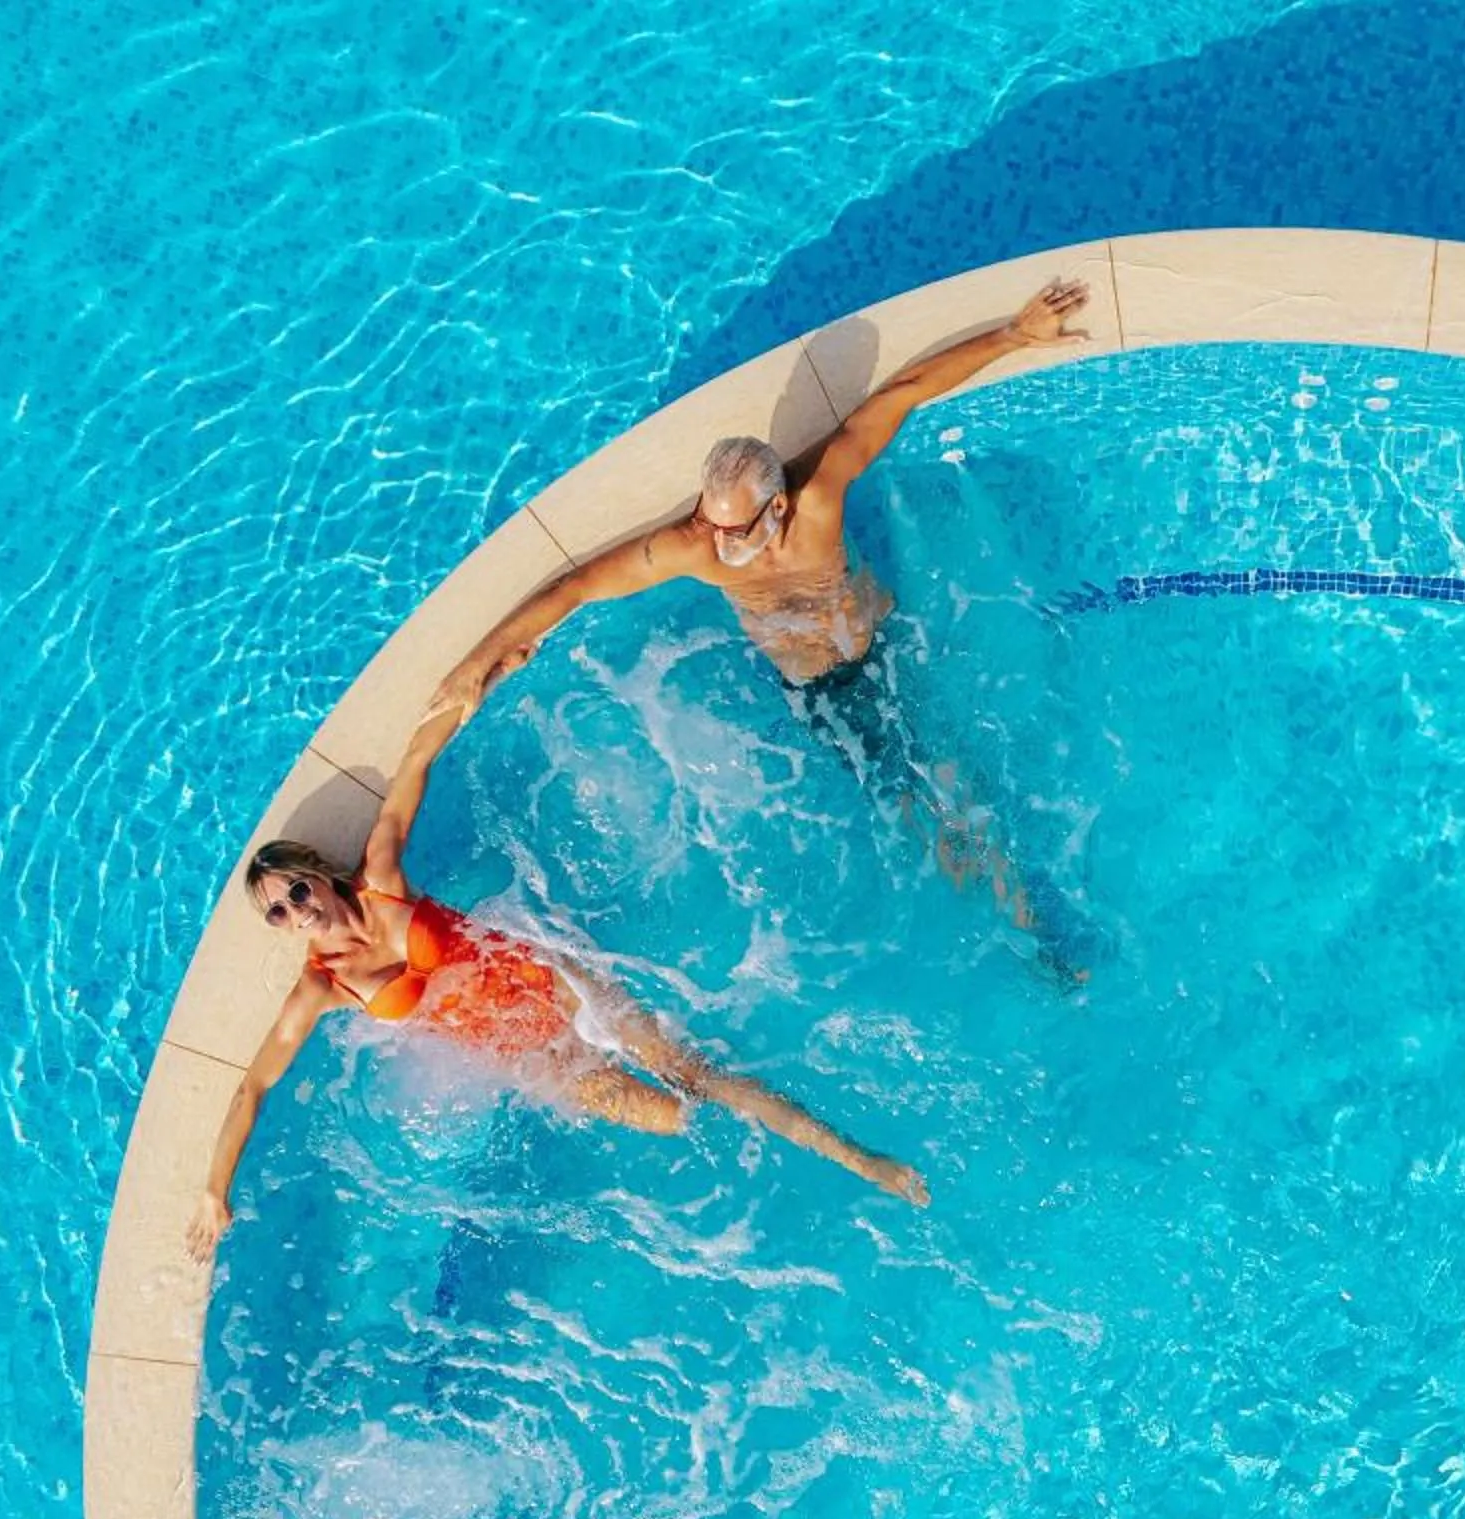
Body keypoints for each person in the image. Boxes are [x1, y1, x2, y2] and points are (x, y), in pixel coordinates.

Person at [426, 277, 1095, 962]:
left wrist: (1014, 334)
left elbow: (901, 394)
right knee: (912, 814)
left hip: (884, 653)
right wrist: (479, 661)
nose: (717, 542)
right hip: (819, 697)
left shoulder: (819, 502)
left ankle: (1034, 923)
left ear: (776, 506)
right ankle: (1005, 931)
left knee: (958, 784)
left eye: (733, 527)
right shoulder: (700, 550)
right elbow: (578, 586)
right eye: (706, 522)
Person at [185, 705, 928, 1259]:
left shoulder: (382, 882)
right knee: (674, 1119)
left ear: (317, 872)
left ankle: (857, 1158)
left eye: (294, 890)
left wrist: (475, 682)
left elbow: (413, 768)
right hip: (529, 1056)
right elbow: (253, 1086)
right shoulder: (323, 987)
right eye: (277, 913)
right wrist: (214, 1191)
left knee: (696, 1077)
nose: (294, 911)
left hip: (556, 986)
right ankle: (798, 1214)